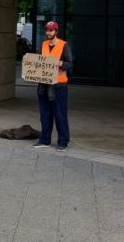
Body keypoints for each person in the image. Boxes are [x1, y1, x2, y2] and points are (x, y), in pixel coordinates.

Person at [33, 21, 72, 151]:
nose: (48, 32)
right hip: (44, 84)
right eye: (47, 30)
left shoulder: (63, 45)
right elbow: (38, 61)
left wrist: (61, 63)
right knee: (45, 114)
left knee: (60, 114)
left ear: (56, 31)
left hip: (58, 85)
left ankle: (63, 142)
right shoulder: (43, 44)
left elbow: (70, 64)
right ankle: (44, 140)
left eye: (51, 30)